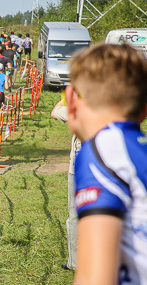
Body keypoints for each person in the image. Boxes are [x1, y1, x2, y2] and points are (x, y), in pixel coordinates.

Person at [65, 43, 147, 284]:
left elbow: (95, 277)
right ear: (144, 110)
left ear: (71, 99)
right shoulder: (135, 150)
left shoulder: (102, 150)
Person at [51, 94, 81, 272]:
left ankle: (75, 262)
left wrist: (66, 97)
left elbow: (54, 112)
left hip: (80, 168)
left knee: (76, 215)